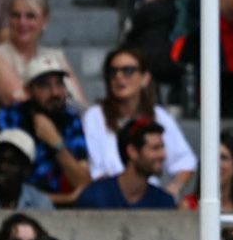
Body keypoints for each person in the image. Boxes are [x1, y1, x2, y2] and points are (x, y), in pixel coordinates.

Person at [82, 46, 198, 200]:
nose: (119, 77)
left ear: (145, 78)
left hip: (148, 198)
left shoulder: (159, 116)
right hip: (107, 198)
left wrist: (174, 188)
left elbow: (186, 161)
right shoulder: (94, 116)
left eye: (128, 70)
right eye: (113, 72)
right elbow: (94, 169)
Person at [0, 56, 91, 206]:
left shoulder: (71, 120)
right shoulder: (9, 118)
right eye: (44, 86)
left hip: (64, 210)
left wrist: (55, 142)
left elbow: (83, 184)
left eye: (59, 84)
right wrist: (63, 199)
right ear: (28, 91)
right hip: (14, 206)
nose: (55, 93)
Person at [0, 0, 86, 121]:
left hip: (61, 130)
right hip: (13, 134)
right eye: (15, 15)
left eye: (30, 16)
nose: (22, 22)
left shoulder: (56, 56)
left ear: (45, 21)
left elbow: (81, 104)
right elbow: (24, 105)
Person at [75, 118, 176, 209]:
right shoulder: (96, 197)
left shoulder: (163, 202)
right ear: (132, 151)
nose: (163, 155)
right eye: (155, 148)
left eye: (162, 148)